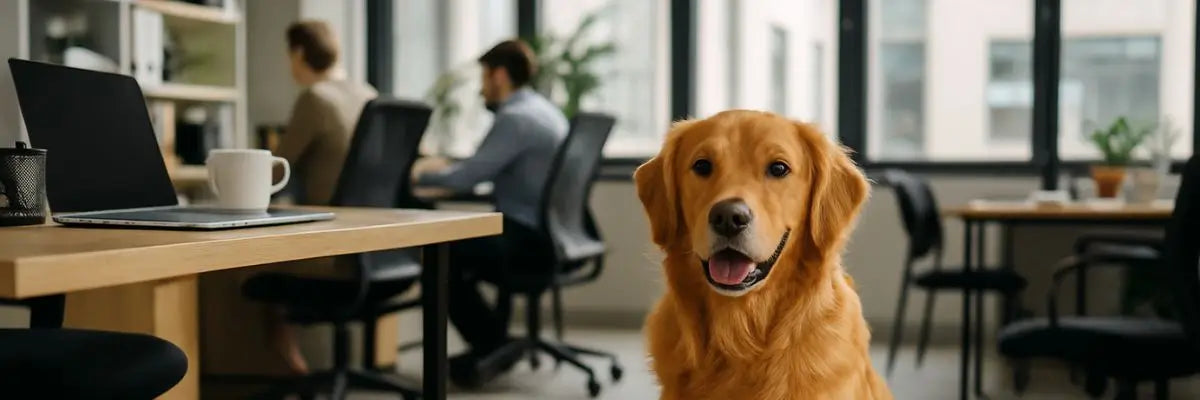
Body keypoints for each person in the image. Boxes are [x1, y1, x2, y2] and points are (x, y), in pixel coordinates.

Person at [414, 39, 569, 386]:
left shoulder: (515, 118)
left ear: (499, 75)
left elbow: (470, 176)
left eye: (483, 77)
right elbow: (484, 167)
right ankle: (493, 343)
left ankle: (490, 344)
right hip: (550, 233)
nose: (481, 88)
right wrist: (451, 169)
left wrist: (420, 174)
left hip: (525, 238)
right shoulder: (544, 110)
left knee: (440, 253)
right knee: (459, 252)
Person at [246, 20, 378, 375]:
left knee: (253, 261)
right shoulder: (367, 94)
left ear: (299, 53)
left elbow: (276, 169)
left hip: (334, 256)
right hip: (380, 253)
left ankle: (291, 367)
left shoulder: (316, 98)